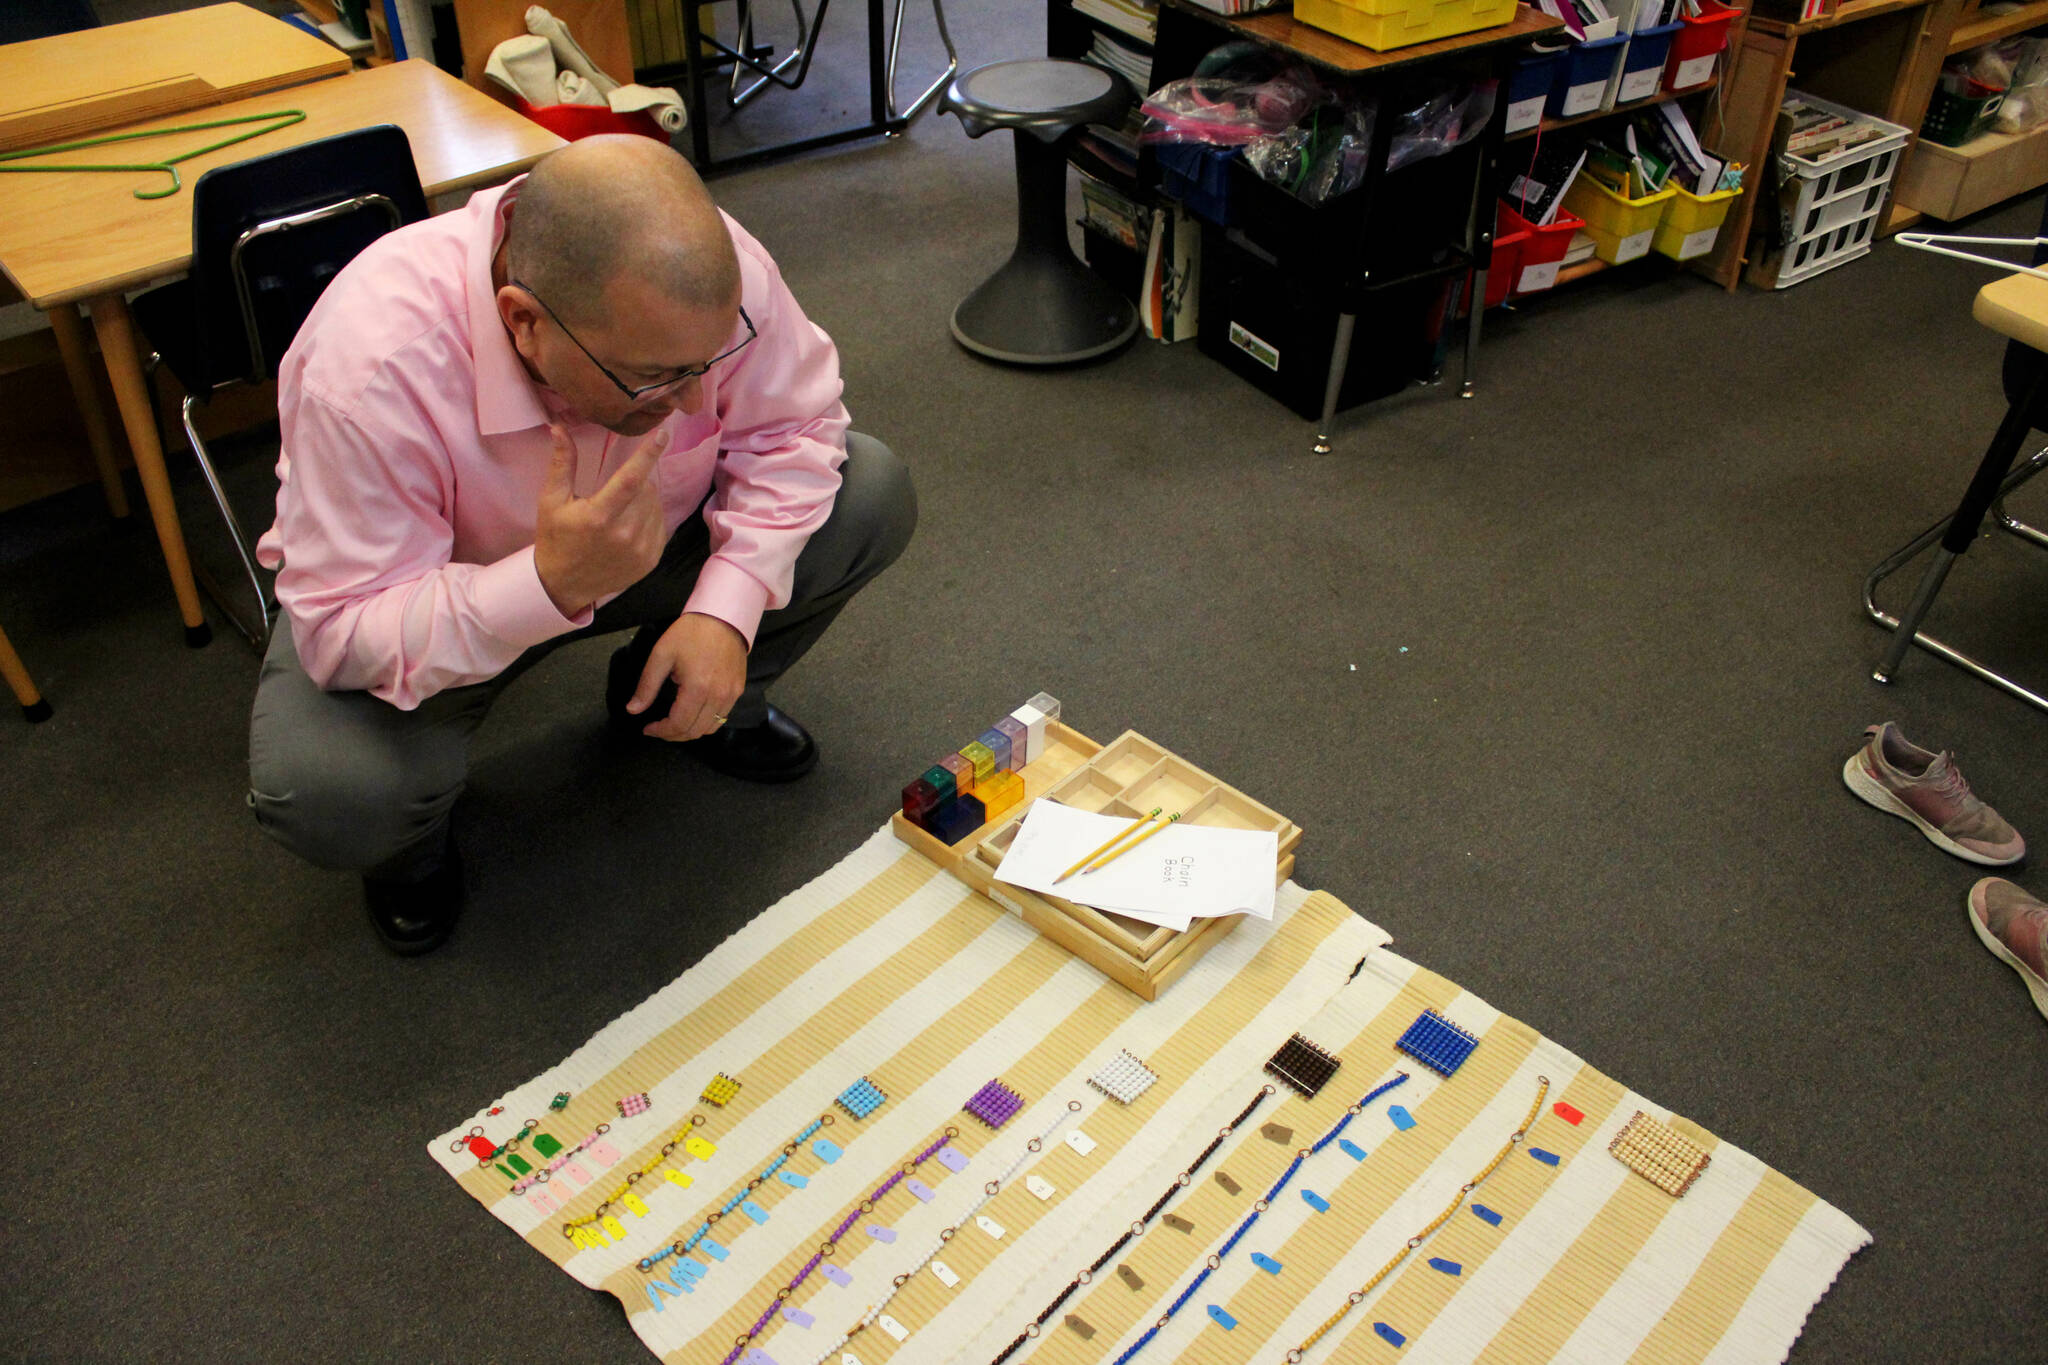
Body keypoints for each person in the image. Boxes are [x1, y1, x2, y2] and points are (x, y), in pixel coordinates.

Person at [246, 135, 916, 955]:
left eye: (709, 362)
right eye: (656, 375)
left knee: (871, 491)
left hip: (658, 541)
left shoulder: (704, 276)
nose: (697, 398)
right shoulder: (370, 366)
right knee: (329, 791)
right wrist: (542, 585)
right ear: (523, 323)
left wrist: (727, 607)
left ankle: (678, 698)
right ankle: (409, 850)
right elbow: (343, 627)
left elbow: (795, 426)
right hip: (457, 592)